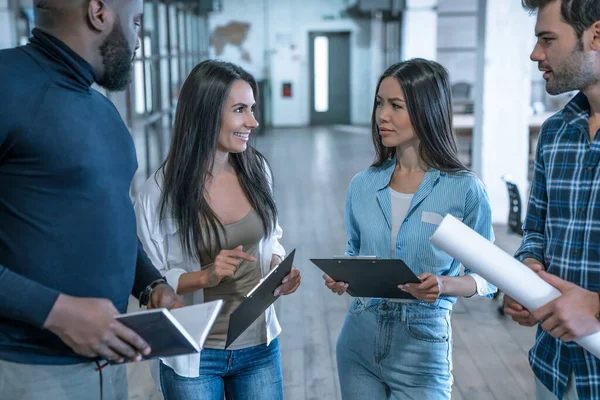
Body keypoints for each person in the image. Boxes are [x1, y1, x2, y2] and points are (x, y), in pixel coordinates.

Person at [0, 0, 184, 399]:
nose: (137, 40)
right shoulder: (5, 83)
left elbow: (106, 217)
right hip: (25, 369)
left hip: (108, 362)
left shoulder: (101, 108)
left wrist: (149, 284)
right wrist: (57, 312)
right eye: (135, 23)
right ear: (98, 11)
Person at [323, 58, 496, 400]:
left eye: (396, 106)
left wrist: (444, 284)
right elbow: (355, 252)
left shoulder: (464, 189)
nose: (382, 116)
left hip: (422, 346)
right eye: (379, 103)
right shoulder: (362, 184)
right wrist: (341, 275)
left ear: (426, 110)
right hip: (359, 336)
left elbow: (489, 279)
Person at [135, 59, 301, 400]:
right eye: (240, 110)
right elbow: (147, 277)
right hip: (195, 354)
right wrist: (203, 277)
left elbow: (273, 238)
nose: (252, 122)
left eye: (252, 109)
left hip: (258, 347)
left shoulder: (257, 171)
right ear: (206, 113)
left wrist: (277, 268)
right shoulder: (158, 193)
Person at [503, 1, 600, 399]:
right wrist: (525, 273)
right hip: (554, 367)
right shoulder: (555, 132)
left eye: (547, 40)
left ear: (596, 35)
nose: (535, 54)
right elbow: (535, 230)